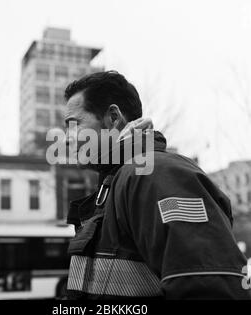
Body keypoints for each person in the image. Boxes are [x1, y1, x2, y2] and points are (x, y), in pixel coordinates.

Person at [63, 70, 250, 299]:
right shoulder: (117, 182)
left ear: (113, 118)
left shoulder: (155, 175)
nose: (67, 138)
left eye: (74, 125)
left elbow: (211, 288)